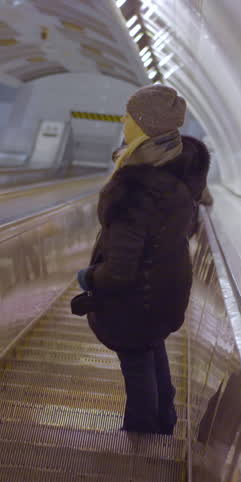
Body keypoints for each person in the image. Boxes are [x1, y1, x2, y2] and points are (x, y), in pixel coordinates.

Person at [73, 85, 210, 435]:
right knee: (152, 350)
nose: (123, 120)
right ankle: (165, 421)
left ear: (144, 126)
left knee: (137, 366)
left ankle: (142, 435)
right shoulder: (177, 176)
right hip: (164, 292)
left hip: (136, 299)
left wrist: (91, 279)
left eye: (129, 116)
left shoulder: (136, 187)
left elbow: (120, 268)